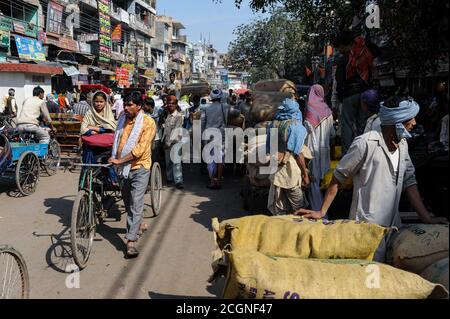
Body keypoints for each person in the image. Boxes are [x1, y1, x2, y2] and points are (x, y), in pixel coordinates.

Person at [296, 96, 447, 262]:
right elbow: (339, 176)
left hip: (393, 225)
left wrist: (426, 218)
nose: (414, 123)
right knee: (367, 274)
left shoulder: (402, 145)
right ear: (395, 122)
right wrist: (322, 211)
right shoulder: (366, 143)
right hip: (366, 226)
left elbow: (409, 182)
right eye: (409, 119)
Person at [109, 92, 156, 258]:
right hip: (122, 168)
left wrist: (119, 160)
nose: (126, 108)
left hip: (140, 166)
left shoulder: (148, 123)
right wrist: (115, 157)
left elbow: (139, 151)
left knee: (136, 201)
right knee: (128, 201)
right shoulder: (122, 119)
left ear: (139, 106)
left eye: (130, 105)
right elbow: (117, 139)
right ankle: (139, 223)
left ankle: (131, 241)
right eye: (125, 104)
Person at [266, 98, 311, 215]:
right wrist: (305, 175)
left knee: (280, 207)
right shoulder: (295, 127)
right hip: (291, 173)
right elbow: (298, 154)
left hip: (276, 171)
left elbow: (269, 148)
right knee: (298, 206)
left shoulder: (273, 124)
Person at [333, 31, 374, 155]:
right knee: (362, 124)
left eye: (339, 47)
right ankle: (362, 153)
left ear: (344, 45)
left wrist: (340, 96)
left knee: (347, 125)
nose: (339, 50)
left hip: (349, 94)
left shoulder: (343, 60)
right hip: (364, 94)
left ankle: (347, 155)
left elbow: (339, 81)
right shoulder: (363, 53)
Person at [304, 84, 334, 211]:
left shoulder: (310, 111)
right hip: (324, 150)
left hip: (312, 150)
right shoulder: (328, 112)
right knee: (324, 180)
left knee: (314, 181)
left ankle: (318, 210)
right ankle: (323, 208)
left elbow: (306, 132)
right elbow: (332, 134)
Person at [201, 89, 233, 189]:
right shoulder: (225, 106)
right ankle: (218, 180)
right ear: (220, 97)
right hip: (221, 134)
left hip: (209, 134)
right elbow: (231, 115)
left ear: (211, 97)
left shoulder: (205, 107)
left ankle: (211, 181)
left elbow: (202, 122)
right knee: (220, 158)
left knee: (210, 159)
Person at [161, 95, 184, 189]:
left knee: (176, 162)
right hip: (166, 141)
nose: (170, 105)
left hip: (175, 142)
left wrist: (168, 143)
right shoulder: (165, 114)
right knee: (168, 162)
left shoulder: (179, 116)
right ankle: (169, 178)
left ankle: (178, 180)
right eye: (169, 103)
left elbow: (176, 130)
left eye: (172, 103)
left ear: (176, 105)